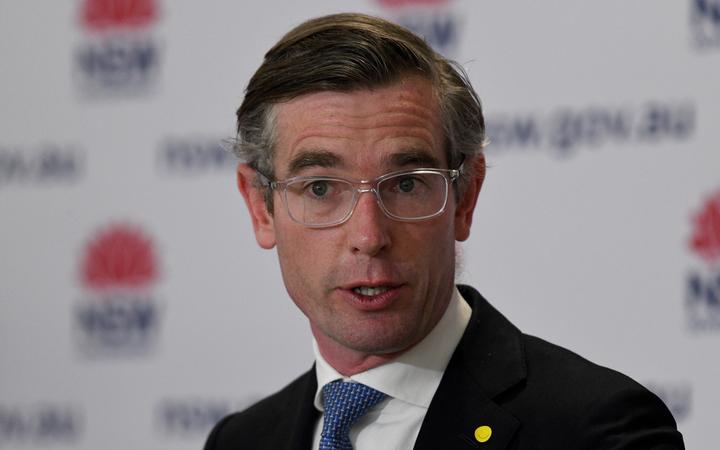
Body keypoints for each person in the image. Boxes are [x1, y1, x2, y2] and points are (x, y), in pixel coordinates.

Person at [205, 12, 684, 450]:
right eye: (321, 187)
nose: (370, 236)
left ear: (466, 197)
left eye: (408, 184)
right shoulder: (240, 441)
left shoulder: (599, 432)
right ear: (260, 207)